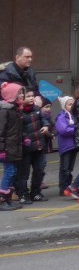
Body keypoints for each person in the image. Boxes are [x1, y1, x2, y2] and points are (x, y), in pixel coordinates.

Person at [14, 85, 50, 202]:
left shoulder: (37, 109)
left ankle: (36, 192)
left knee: (39, 170)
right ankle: (23, 194)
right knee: (23, 173)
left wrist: (46, 126)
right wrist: (25, 138)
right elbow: (17, 129)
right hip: (25, 148)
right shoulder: (18, 112)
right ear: (20, 98)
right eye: (28, 96)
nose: (31, 98)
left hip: (39, 145)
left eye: (32, 96)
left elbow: (44, 119)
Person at [0, 82, 25, 210]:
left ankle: (7, 198)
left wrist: (24, 138)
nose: (21, 95)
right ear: (11, 95)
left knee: (13, 171)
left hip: (13, 147)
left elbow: (17, 130)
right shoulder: (5, 111)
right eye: (19, 93)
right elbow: (1, 131)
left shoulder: (15, 110)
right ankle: (2, 199)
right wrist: (1, 149)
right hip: (7, 148)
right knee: (9, 171)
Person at [55, 96, 77, 197]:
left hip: (73, 146)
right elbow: (64, 130)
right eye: (69, 104)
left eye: (73, 104)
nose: (72, 106)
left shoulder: (73, 116)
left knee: (70, 168)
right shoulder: (61, 117)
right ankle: (63, 188)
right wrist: (76, 129)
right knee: (65, 168)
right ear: (64, 106)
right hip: (66, 146)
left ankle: (68, 186)